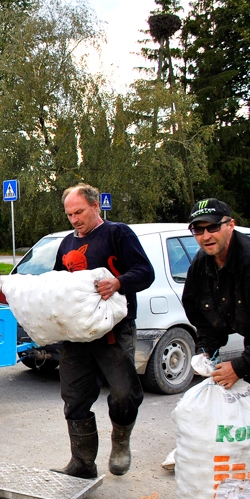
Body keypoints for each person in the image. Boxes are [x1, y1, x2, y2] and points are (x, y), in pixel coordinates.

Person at [51, 184, 155, 479]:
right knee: (74, 398)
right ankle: (82, 464)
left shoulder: (118, 234)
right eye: (70, 214)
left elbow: (145, 272)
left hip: (114, 332)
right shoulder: (66, 244)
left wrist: (119, 282)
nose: (74, 219)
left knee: (124, 394)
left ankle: (120, 441)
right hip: (76, 335)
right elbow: (58, 283)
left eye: (79, 212)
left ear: (95, 206)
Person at [181, 197, 250, 499]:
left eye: (212, 227)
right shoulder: (202, 264)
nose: (206, 235)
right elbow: (200, 312)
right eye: (198, 230)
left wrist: (240, 366)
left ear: (230, 225)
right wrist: (207, 352)